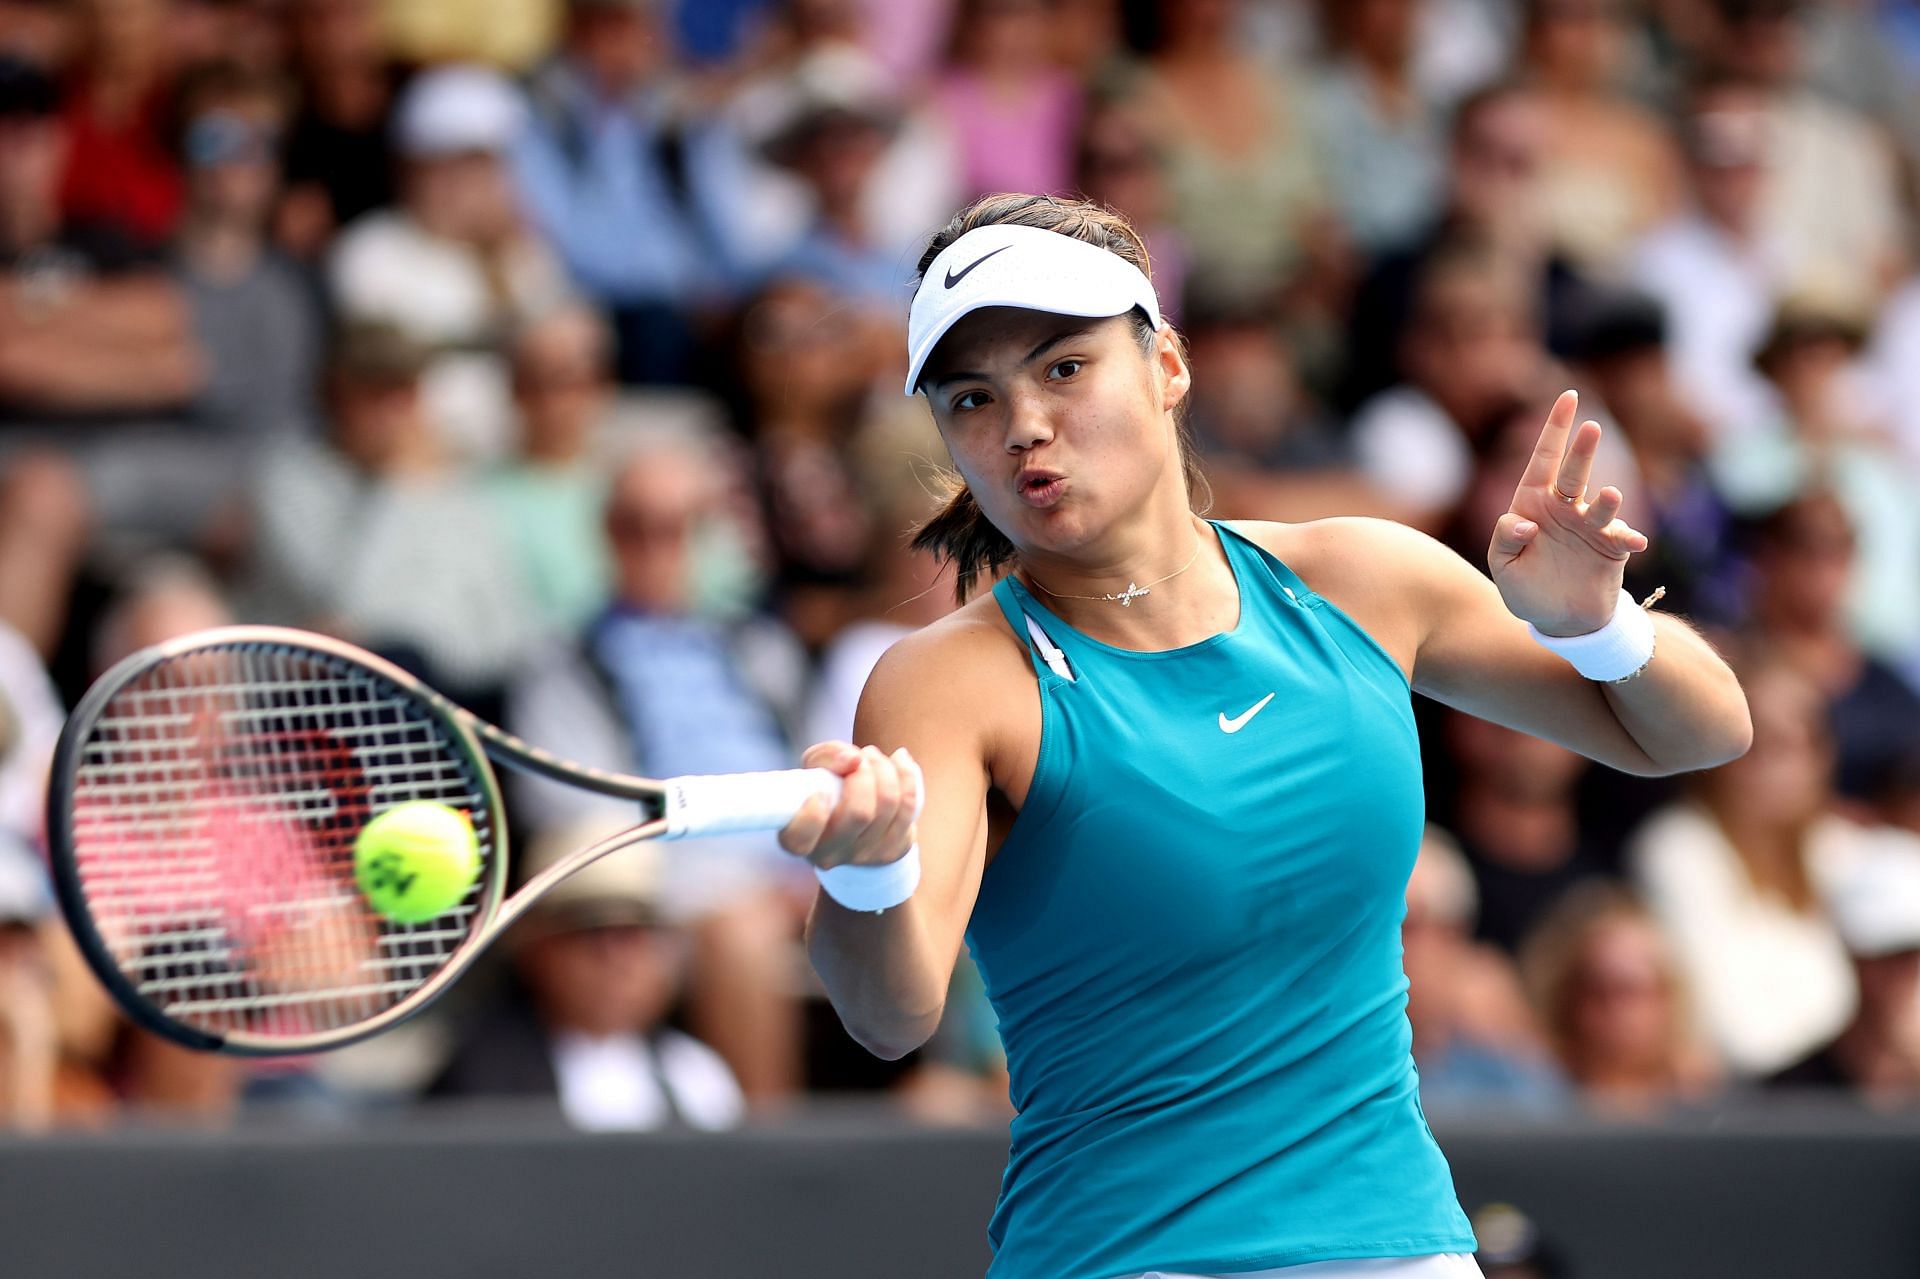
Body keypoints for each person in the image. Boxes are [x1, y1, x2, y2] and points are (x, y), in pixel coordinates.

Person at [781, 193, 1752, 1278]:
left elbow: (1700, 732)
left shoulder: (1362, 577)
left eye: (1063, 368)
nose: (1022, 426)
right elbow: (892, 1009)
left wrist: (1598, 622)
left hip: (1402, 1245)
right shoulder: (948, 680)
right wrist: (866, 874)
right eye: (973, 397)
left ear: (1169, 367)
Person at [427, 822, 747, 1131]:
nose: (618, 958)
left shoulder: (697, 1076)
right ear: (536, 950)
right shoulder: (477, 1082)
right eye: (591, 932)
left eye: (635, 934)